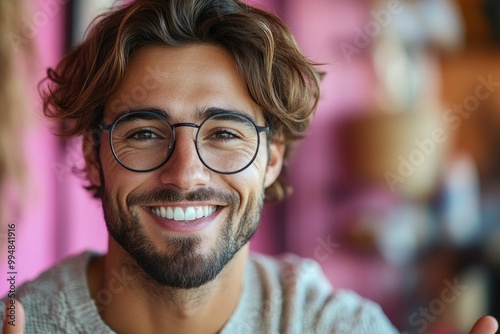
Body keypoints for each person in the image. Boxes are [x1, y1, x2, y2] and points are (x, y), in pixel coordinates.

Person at [0, 0, 498, 333]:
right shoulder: (24, 322)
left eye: (224, 134)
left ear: (273, 158)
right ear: (92, 154)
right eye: (145, 133)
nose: (186, 175)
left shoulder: (333, 325)